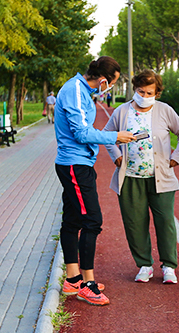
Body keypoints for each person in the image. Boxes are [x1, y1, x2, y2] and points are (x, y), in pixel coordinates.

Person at [54, 56, 135, 306]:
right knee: (92, 220)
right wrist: (114, 137)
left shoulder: (81, 90)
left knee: (73, 219)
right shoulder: (75, 91)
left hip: (78, 163)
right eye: (111, 83)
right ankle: (87, 285)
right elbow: (80, 132)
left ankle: (72, 279)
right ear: (102, 81)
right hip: (74, 164)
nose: (109, 88)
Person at [104, 70, 179, 284]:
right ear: (135, 89)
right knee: (134, 222)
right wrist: (116, 156)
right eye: (140, 91)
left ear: (157, 93)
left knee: (165, 221)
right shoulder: (122, 112)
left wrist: (177, 157)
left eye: (149, 92)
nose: (144, 95)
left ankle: (169, 266)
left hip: (160, 177)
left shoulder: (164, 111)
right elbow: (107, 135)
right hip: (130, 177)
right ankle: (144, 264)